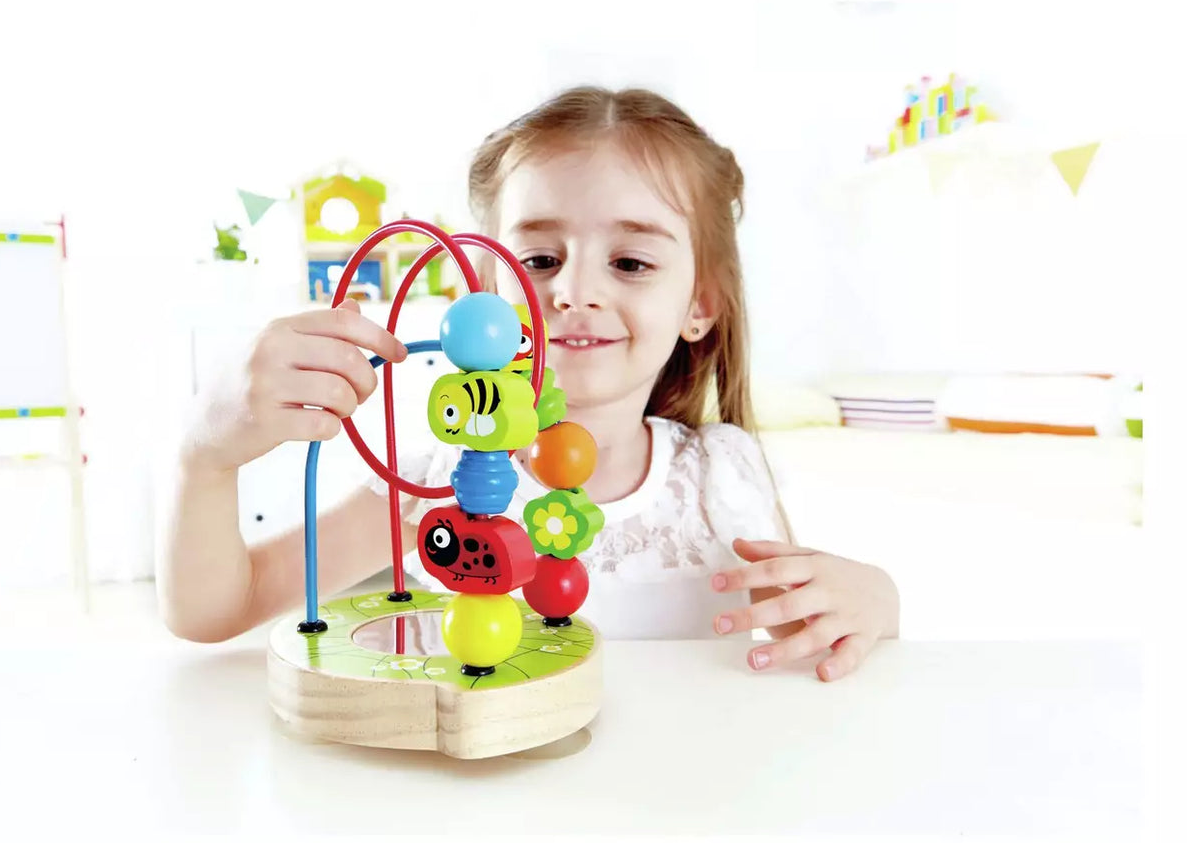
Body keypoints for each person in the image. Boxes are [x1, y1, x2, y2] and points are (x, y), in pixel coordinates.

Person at [159, 86, 899, 681]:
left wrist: (876, 601)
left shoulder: (721, 476)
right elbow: (212, 611)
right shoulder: (428, 492)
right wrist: (205, 454)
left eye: (631, 262)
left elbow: (808, 634)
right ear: (486, 293)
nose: (574, 289)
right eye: (539, 261)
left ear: (699, 306)